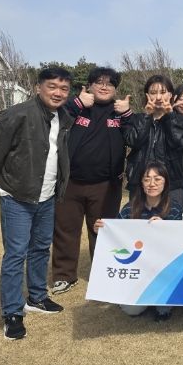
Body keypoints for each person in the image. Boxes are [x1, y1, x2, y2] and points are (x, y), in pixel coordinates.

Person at [0, 67, 73, 340]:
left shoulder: (64, 117)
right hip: (17, 196)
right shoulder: (18, 114)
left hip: (46, 196)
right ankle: (12, 312)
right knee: (15, 254)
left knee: (40, 248)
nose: (58, 93)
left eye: (64, 89)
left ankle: (37, 297)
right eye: (52, 87)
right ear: (38, 88)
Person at [51, 67, 126, 296]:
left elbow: (136, 135)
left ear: (115, 89)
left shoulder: (119, 112)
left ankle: (104, 273)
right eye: (99, 82)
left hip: (106, 185)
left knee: (102, 232)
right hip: (70, 182)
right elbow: (54, 118)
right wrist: (76, 104)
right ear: (90, 85)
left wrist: (128, 113)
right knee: (66, 230)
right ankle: (64, 276)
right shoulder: (76, 107)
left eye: (110, 83)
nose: (104, 87)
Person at [93, 162, 182, 322]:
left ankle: (162, 301)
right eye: (147, 179)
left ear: (166, 182)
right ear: (141, 183)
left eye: (157, 179)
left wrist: (166, 228)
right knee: (132, 310)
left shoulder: (174, 208)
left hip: (164, 269)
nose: (152, 184)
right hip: (138, 268)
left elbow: (181, 242)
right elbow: (116, 234)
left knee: (163, 307)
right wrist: (102, 230)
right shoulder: (130, 208)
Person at [118, 74, 183, 211]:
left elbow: (177, 143)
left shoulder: (180, 120)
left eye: (163, 92)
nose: (158, 97)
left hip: (172, 184)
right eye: (153, 92)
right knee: (138, 220)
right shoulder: (137, 118)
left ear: (171, 95)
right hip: (141, 182)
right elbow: (133, 142)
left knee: (172, 219)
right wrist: (146, 116)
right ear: (147, 95)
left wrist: (170, 116)